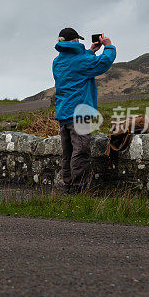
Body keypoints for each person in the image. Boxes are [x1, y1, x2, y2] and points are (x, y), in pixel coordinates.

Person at [52, 27, 116, 193]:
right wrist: (109, 46)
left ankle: (68, 185)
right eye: (78, 40)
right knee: (81, 151)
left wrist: (90, 51)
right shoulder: (80, 61)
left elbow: (79, 64)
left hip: (64, 112)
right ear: (74, 41)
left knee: (68, 153)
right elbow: (102, 63)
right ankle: (78, 188)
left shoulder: (57, 62)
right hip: (79, 113)